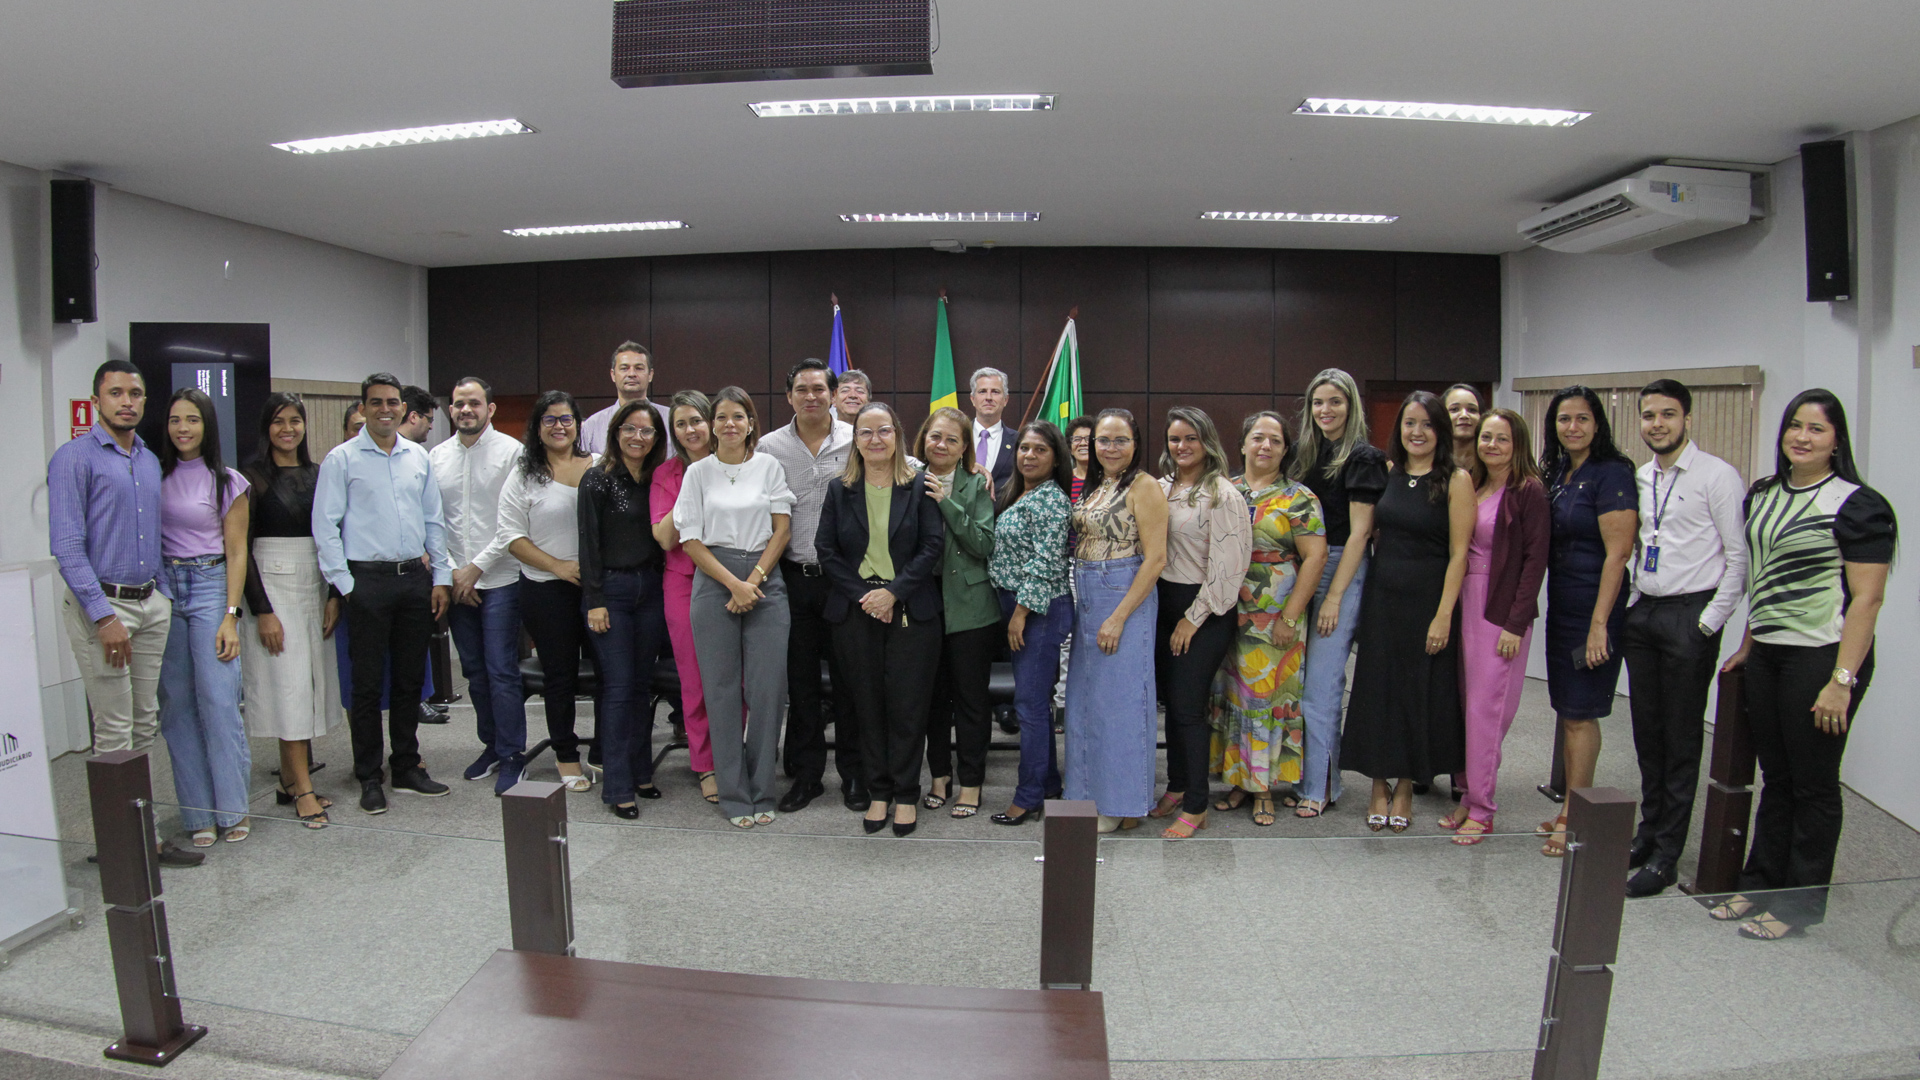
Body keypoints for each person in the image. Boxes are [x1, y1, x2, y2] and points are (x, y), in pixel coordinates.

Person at [1717, 390, 1894, 940]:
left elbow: (1866, 600)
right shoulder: (1764, 494)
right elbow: (1764, 576)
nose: (1802, 437)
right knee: (1777, 776)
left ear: (1836, 440)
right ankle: (1760, 882)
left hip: (1823, 656)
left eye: (1817, 429)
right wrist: (1749, 642)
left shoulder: (1858, 505)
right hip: (1769, 652)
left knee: (1813, 783)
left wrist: (1842, 681)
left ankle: (1798, 905)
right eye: (1795, 425)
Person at [49, 362, 204, 866]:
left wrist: (161, 597)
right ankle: (125, 851)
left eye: (135, 393)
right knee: (115, 731)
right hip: (104, 609)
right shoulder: (74, 458)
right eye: (115, 393)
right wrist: (102, 617)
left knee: (143, 725)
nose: (127, 401)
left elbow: (152, 535)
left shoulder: (148, 459)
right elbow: (66, 545)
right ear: (97, 400)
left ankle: (140, 837)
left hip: (148, 604)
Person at [1621, 378, 1748, 898]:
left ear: (1687, 419)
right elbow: (1637, 545)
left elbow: (1739, 558)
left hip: (1690, 616)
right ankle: (1648, 833)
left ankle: (1667, 854)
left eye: (1668, 414)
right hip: (1644, 614)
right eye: (1649, 415)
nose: (1657, 424)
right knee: (1647, 735)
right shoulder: (1640, 476)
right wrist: (1633, 601)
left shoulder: (1717, 476)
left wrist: (1708, 622)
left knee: (1680, 739)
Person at [313, 373, 454, 814]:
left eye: (392, 402)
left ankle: (407, 765)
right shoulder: (342, 459)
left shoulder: (418, 457)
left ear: (402, 408)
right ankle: (369, 775)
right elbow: (325, 526)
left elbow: (433, 520)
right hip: (366, 582)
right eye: (376, 402)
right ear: (363, 408)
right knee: (368, 685)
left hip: (413, 579)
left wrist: (441, 577)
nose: (385, 409)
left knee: (410, 680)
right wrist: (346, 585)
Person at [1342, 392, 1473, 833]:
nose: (1417, 433)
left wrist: (1444, 615)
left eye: (1427, 424)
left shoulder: (1455, 480)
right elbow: (1366, 534)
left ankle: (1404, 787)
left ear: (1441, 431)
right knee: (1379, 691)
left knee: (1417, 694)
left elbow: (1459, 555)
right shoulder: (1388, 474)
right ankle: (1377, 784)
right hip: (1383, 599)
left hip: (1427, 603)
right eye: (1410, 424)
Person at [817, 402, 946, 837]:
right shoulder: (840, 489)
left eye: (884, 431)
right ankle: (879, 791)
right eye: (866, 432)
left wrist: (893, 592)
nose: (875, 439)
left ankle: (906, 793)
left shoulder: (919, 485)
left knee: (908, 707)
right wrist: (867, 596)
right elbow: (826, 550)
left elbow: (932, 546)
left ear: (897, 436)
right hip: (857, 610)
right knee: (866, 707)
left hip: (911, 608)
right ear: (855, 440)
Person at [673, 387, 794, 828]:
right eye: (721, 416)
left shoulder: (768, 466)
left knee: (767, 692)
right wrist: (733, 584)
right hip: (714, 581)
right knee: (721, 692)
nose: (729, 424)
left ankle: (763, 789)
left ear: (750, 423)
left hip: (765, 580)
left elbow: (782, 530)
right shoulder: (698, 473)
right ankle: (734, 794)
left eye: (738, 416)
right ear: (712, 425)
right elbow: (689, 539)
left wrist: (753, 581)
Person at [1208, 412, 1329, 820]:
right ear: (1242, 444)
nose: (1265, 446)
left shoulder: (1299, 497)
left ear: (1285, 450)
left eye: (1275, 440)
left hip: (1274, 614)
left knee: (1264, 698)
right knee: (1231, 695)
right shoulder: (1225, 490)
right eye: (1258, 437)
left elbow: (1315, 558)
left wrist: (1289, 617)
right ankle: (1239, 781)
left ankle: (1262, 790)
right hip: (1226, 611)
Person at [1535, 387, 1638, 857]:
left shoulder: (1612, 473)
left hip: (1595, 609)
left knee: (1580, 713)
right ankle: (1567, 807)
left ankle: (1575, 815)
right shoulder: (1560, 472)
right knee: (1567, 709)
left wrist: (1600, 625)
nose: (1572, 427)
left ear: (1598, 424)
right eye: (1564, 419)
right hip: (1564, 603)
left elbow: (1618, 554)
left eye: (1582, 418)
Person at [1440, 410, 1550, 844]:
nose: (1492, 445)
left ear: (1517, 444)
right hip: (1465, 601)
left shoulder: (1529, 491)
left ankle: (1483, 810)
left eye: (1502, 439)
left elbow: (1534, 562)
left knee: (1487, 713)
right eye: (1486, 437)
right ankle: (1468, 795)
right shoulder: (1475, 484)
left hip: (1498, 610)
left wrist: (1514, 624)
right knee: (1466, 708)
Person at [478, 391, 597, 791]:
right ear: (537, 426)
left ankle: (605, 751)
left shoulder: (599, 465)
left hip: (597, 590)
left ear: (577, 424)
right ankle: (566, 755)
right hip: (546, 590)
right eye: (549, 420)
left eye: (566, 419)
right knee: (560, 677)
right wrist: (558, 566)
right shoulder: (524, 475)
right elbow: (511, 537)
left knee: (609, 675)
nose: (559, 426)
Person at [759, 359, 862, 813]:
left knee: (850, 683)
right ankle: (806, 777)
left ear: (834, 394)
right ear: (789, 397)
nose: (811, 396)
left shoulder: (857, 438)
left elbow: (904, 465)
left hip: (845, 582)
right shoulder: (768, 447)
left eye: (819, 388)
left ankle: (855, 775)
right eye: (801, 389)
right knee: (800, 685)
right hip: (793, 579)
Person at [156, 389, 254, 846]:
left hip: (211, 585)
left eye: (192, 420)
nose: (183, 428)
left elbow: (237, 553)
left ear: (207, 425)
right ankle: (198, 814)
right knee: (177, 706)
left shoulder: (227, 481)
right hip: (165, 589)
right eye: (175, 420)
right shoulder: (154, 474)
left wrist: (230, 616)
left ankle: (232, 809)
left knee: (218, 699)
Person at [1289, 369, 1389, 816]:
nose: (1325, 410)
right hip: (1301, 567)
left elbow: (1361, 534)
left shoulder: (1363, 457)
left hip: (1339, 569)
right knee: (1298, 682)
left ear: (1351, 406)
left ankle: (1320, 786)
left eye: (1335, 401)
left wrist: (1334, 596)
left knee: (1321, 686)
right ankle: (1303, 777)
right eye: (1318, 402)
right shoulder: (1304, 454)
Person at [240, 393, 342, 830]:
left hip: (314, 583)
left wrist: (334, 594)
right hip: (272, 586)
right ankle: (302, 789)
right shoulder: (250, 477)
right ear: (266, 427)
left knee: (308, 685)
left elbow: (334, 535)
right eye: (278, 421)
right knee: (289, 688)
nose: (288, 429)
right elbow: (240, 550)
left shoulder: (319, 474)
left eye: (295, 420)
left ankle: (288, 779)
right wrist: (262, 610)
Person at [1150, 408, 1251, 839]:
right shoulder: (1161, 488)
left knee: (1189, 708)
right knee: (1172, 706)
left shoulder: (1223, 495)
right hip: (1163, 605)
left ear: (1207, 441)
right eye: (1175, 439)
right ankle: (1176, 785)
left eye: (1191, 438)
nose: (1182, 446)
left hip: (1204, 611)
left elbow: (1229, 570)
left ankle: (1197, 804)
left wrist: (1192, 619)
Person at [1067, 408, 1169, 833]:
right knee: (1086, 703)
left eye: (1120, 440)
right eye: (1103, 440)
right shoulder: (1100, 484)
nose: (1110, 448)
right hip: (1089, 593)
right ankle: (1086, 796)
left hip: (1122, 594)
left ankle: (1122, 803)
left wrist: (1119, 616)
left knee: (1121, 706)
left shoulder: (1144, 486)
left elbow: (1156, 558)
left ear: (1135, 443)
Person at [430, 377, 529, 795]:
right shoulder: (436, 457)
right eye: (458, 404)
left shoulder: (513, 453)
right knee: (473, 671)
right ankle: (491, 745)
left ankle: (513, 754)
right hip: (457, 581)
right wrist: (455, 571)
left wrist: (476, 568)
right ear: (450, 409)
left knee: (501, 669)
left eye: (474, 403)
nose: (465, 410)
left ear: (490, 408)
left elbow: (514, 521)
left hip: (501, 577)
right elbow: (433, 522)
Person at [581, 401, 672, 818]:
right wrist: (594, 601)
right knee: (618, 689)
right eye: (630, 429)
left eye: (647, 430)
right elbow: (588, 544)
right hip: (611, 593)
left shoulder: (656, 479)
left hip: (650, 590)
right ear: (616, 432)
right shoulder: (598, 479)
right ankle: (617, 786)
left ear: (657, 437)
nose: (638, 437)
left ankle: (641, 772)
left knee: (640, 687)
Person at [988, 422, 1075, 826]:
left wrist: (1020, 614)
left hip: (1038, 610)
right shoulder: (1019, 492)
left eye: (1040, 449)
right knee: (1034, 702)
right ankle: (1049, 783)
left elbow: (1046, 563)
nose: (1029, 455)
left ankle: (1028, 797)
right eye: (1024, 448)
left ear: (1056, 458)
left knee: (1030, 706)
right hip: (1019, 606)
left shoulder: (1052, 500)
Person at [914, 407, 999, 819]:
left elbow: (983, 543)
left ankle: (971, 783)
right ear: (923, 439)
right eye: (935, 436)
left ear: (965, 446)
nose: (942, 445)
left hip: (970, 607)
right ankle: (939, 777)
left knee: (970, 702)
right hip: (923, 602)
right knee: (932, 698)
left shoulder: (976, 483)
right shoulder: (907, 478)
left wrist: (946, 502)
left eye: (952, 439)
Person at [652, 390, 719, 804]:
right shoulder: (668, 473)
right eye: (680, 424)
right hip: (684, 581)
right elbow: (664, 537)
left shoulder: (735, 463)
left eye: (696, 420)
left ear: (710, 422)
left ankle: (734, 752)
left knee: (736, 677)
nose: (690, 429)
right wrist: (692, 486)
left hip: (731, 578)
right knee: (695, 680)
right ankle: (706, 763)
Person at [581, 341, 671, 455]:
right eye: (624, 368)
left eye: (639, 368)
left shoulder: (671, 419)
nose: (631, 374)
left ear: (650, 375)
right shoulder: (593, 426)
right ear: (613, 375)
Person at [969, 367, 1017, 492]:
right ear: (973, 399)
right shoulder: (957, 436)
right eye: (982, 391)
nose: (988, 397)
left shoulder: (1019, 441)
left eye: (995, 392)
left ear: (1005, 400)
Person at [1443, 383, 1485, 470]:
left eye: (1472, 410)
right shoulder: (1430, 461)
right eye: (1454, 409)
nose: (1464, 415)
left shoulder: (1490, 461)